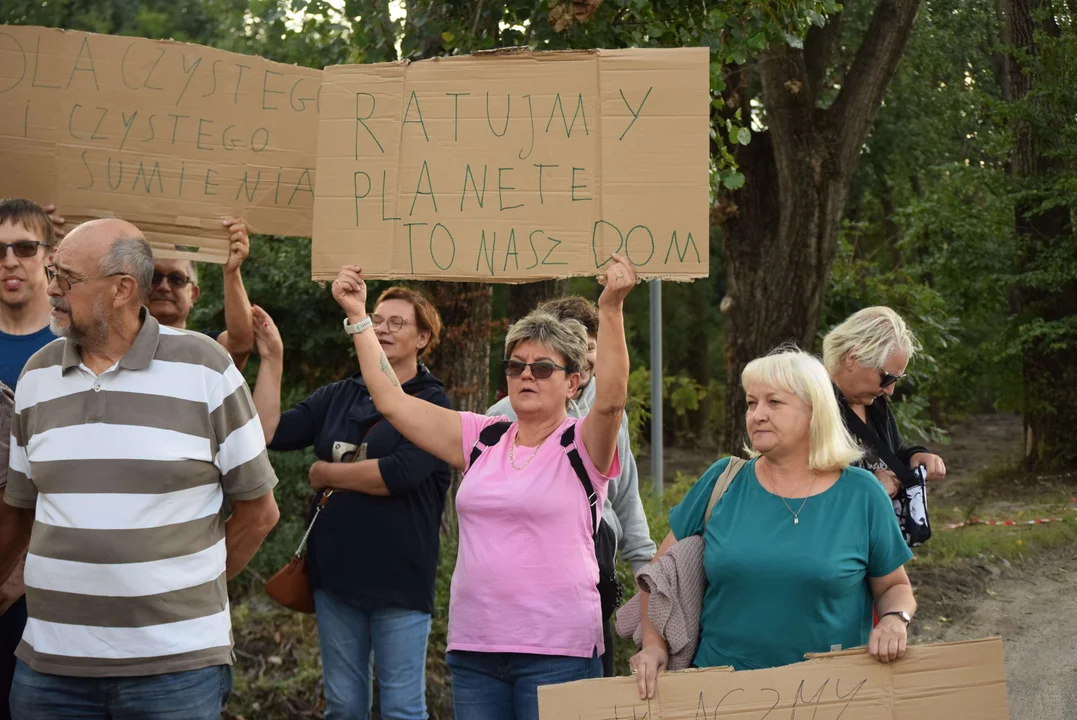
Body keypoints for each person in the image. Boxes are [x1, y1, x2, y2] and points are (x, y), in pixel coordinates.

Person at [328, 255, 635, 720]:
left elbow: (611, 400)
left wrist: (610, 308)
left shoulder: (582, 444)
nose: (526, 375)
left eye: (542, 368)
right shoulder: (483, 435)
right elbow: (391, 401)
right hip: (475, 649)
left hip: (559, 651)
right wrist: (357, 316)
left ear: (574, 382)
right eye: (516, 366)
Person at [0, 218, 280, 719]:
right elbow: (17, 514)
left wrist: (187, 597)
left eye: (67, 277)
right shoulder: (37, 374)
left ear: (123, 289)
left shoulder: (205, 368)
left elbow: (260, 512)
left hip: (176, 671)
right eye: (52, 273)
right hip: (50, 669)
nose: (53, 289)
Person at [630, 348, 916, 700]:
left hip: (829, 697)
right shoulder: (723, 479)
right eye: (752, 403)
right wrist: (654, 644)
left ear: (814, 411)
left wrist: (894, 620)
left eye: (774, 403)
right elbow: (657, 576)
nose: (757, 415)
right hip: (719, 696)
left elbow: (894, 587)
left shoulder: (862, 494)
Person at [250, 287, 452, 720]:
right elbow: (266, 432)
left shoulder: (433, 402)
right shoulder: (340, 395)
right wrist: (273, 359)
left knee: (401, 708)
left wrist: (326, 473)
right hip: (335, 580)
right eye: (376, 320)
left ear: (423, 338)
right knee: (343, 707)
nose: (382, 329)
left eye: (397, 323)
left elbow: (398, 474)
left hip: (400, 584)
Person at [485, 295, 655, 676]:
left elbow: (625, 500)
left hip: (592, 581)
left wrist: (647, 579)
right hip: (517, 590)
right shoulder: (497, 421)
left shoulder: (610, 417)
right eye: (576, 346)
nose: (589, 357)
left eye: (591, 346)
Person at [0, 198, 65, 720]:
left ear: (51, 258)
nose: (9, 261)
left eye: (24, 248)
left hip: (49, 573)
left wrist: (17, 570)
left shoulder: (78, 345)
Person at [823, 307, 947, 498]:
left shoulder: (874, 404)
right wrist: (870, 486)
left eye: (896, 380)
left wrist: (914, 456)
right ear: (852, 359)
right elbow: (798, 483)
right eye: (887, 378)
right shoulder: (808, 407)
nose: (890, 390)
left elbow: (887, 455)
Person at [146, 217, 255, 369]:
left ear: (193, 295)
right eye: (154, 277)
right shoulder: (114, 344)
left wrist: (231, 271)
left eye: (176, 279)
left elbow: (240, 345)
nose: (164, 287)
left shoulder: (206, 350)